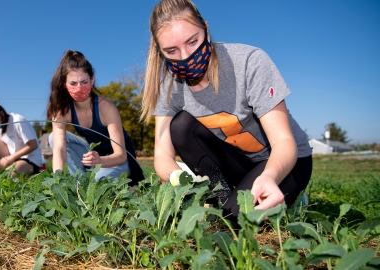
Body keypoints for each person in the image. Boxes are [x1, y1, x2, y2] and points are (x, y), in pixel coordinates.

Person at [140, 0, 312, 219]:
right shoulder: (169, 87)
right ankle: (224, 197)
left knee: (235, 221)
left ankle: (293, 198)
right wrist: (180, 180)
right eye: (171, 50)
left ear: (207, 30)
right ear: (159, 50)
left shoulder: (249, 62)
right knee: (181, 126)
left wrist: (270, 176)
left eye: (192, 42)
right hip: (239, 163)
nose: (185, 57)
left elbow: (284, 142)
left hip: (283, 163)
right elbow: (162, 155)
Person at [46, 50, 143, 185]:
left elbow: (121, 155)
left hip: (117, 161)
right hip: (92, 158)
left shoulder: (106, 108)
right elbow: (59, 149)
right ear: (64, 84)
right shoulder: (62, 110)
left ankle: (86, 185)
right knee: (53, 137)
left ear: (92, 80)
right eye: (73, 83)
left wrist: (100, 161)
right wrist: (57, 181)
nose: (79, 87)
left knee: (96, 185)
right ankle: (77, 184)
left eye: (84, 82)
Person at [0, 101, 42, 176]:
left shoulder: (18, 120)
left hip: (30, 159)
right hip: (13, 158)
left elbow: (33, 145)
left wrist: (12, 157)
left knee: (7, 176)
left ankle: (32, 173)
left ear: (1, 113)